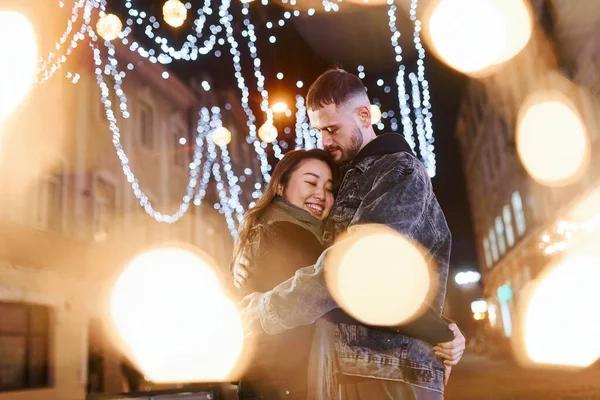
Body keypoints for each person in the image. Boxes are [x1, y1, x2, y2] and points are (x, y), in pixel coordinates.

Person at [234, 69, 465, 399]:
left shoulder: (399, 171)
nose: (325, 141)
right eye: (319, 131)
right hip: (350, 367)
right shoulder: (348, 180)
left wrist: (267, 310)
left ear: (364, 115)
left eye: (332, 129)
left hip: (392, 368)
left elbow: (355, 267)